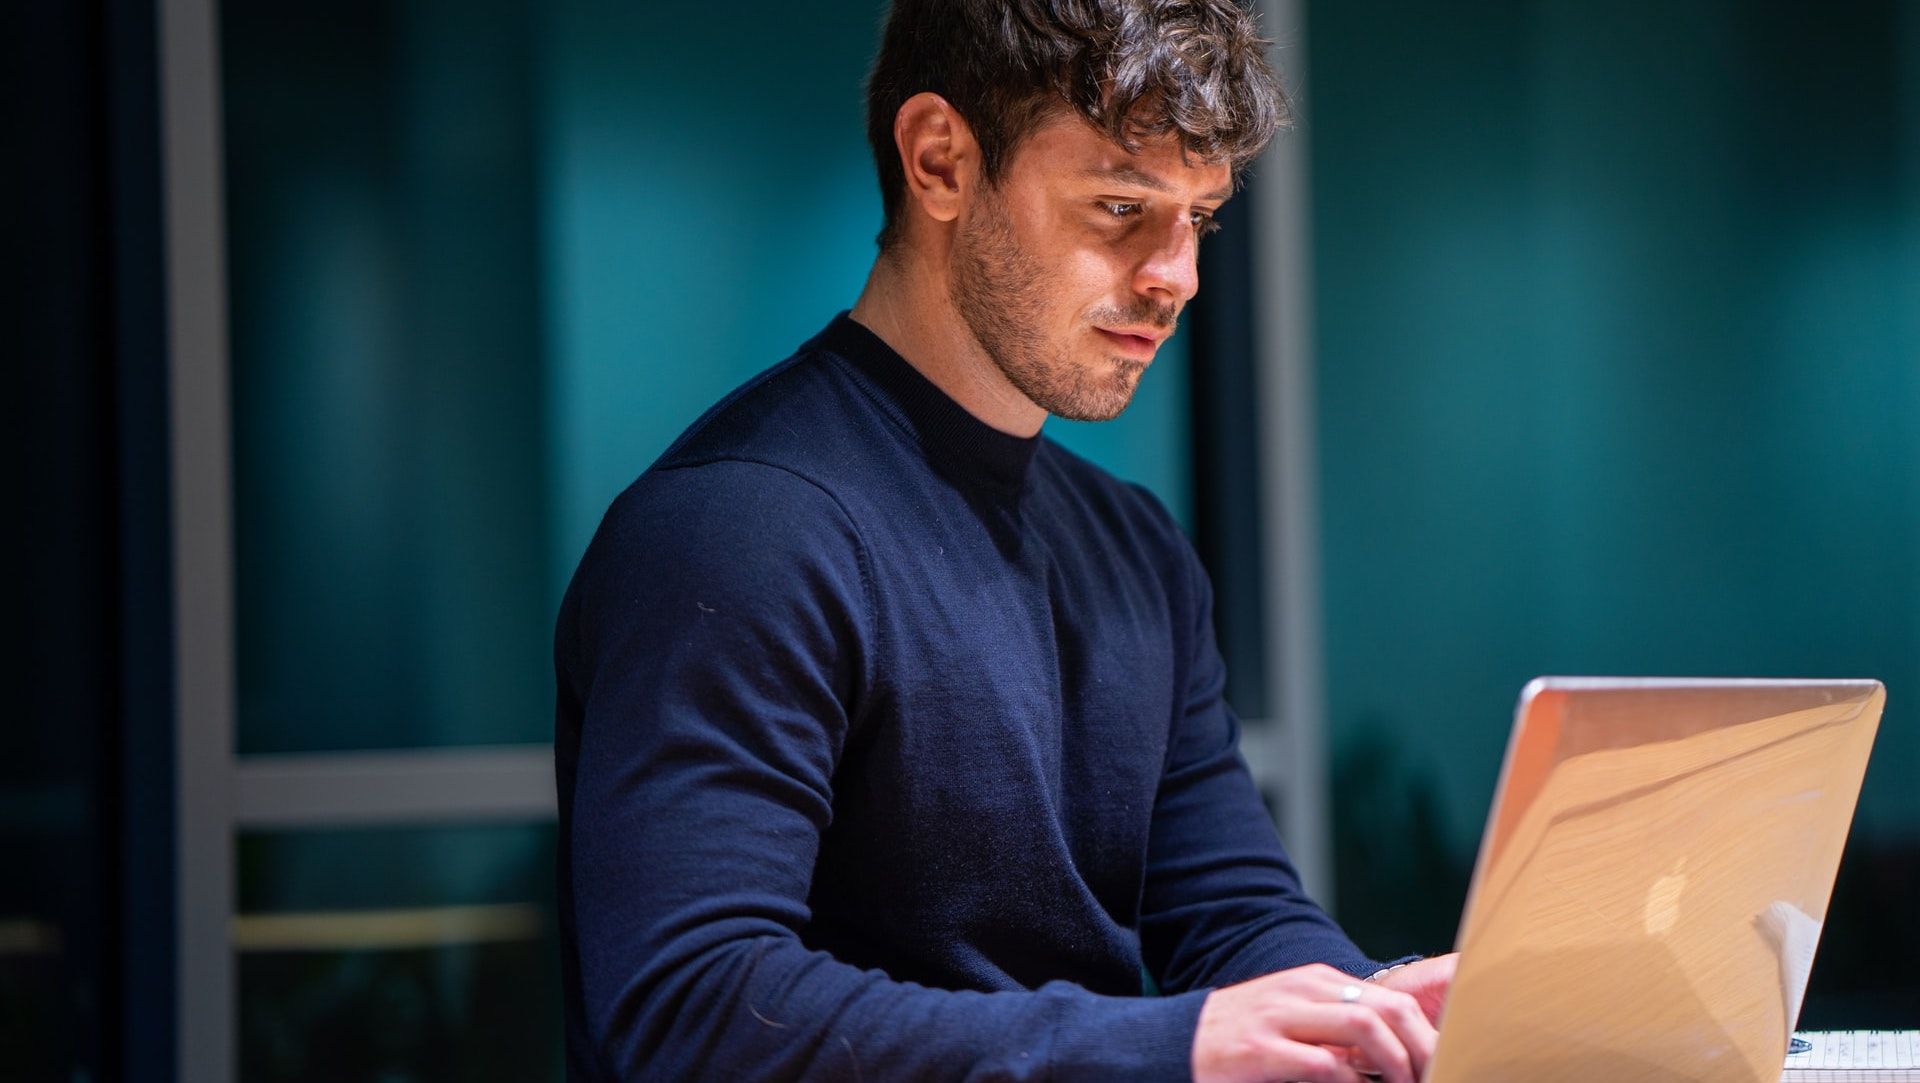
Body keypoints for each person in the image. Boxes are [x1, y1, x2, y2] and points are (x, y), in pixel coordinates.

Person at [553, 1, 1456, 1079]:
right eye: (1121, 206)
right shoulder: (739, 531)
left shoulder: (1135, 549)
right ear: (940, 160)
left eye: (1200, 219)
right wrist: (1169, 1046)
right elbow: (691, 1008)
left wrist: (1365, 1012)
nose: (1178, 278)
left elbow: (1231, 909)